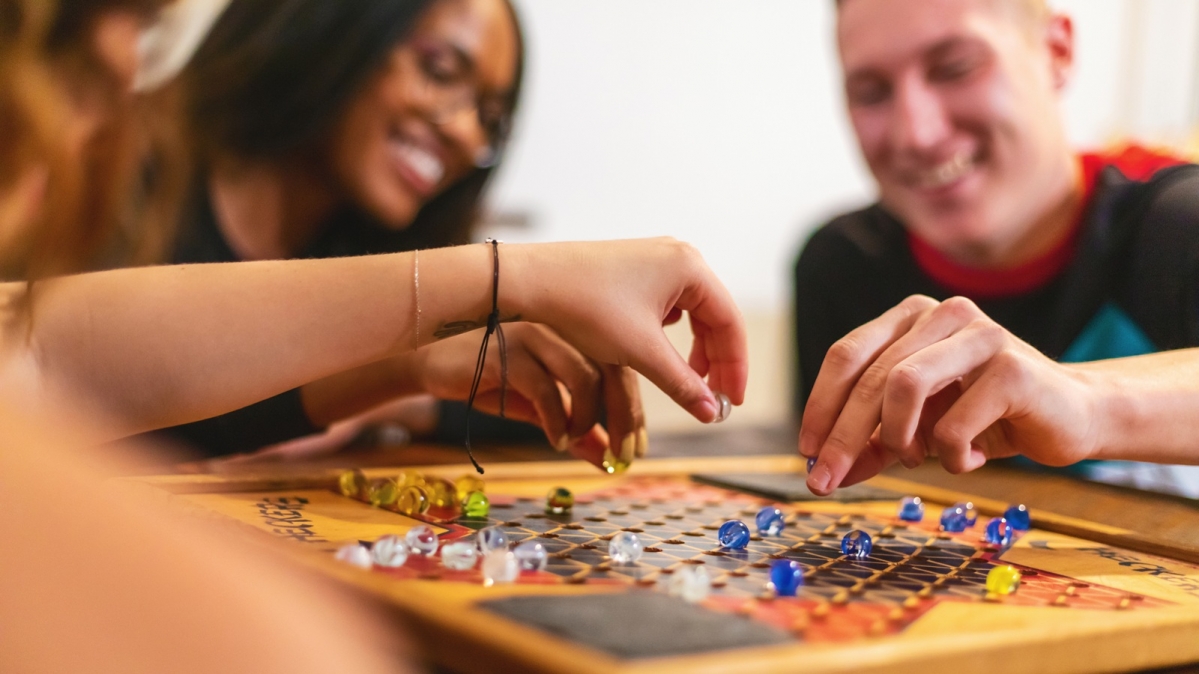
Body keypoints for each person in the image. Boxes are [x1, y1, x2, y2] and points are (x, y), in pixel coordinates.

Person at [0, 0, 748, 668]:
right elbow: (58, 375)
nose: (460, 131)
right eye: (439, 68)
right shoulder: (113, 169)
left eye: (488, 115)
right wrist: (500, 282)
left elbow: (46, 356)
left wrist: (407, 378)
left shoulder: (358, 240)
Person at [794, 0, 1199, 495]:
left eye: (955, 68)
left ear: (1056, 51)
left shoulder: (1178, 228)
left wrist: (1088, 404)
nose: (917, 133)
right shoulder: (841, 266)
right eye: (871, 92)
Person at [154, 0, 562, 460]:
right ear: (335, 26)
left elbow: (567, 408)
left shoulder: (368, 245)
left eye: (489, 119)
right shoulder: (128, 180)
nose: (469, 136)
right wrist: (376, 379)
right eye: (440, 70)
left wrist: (398, 396)